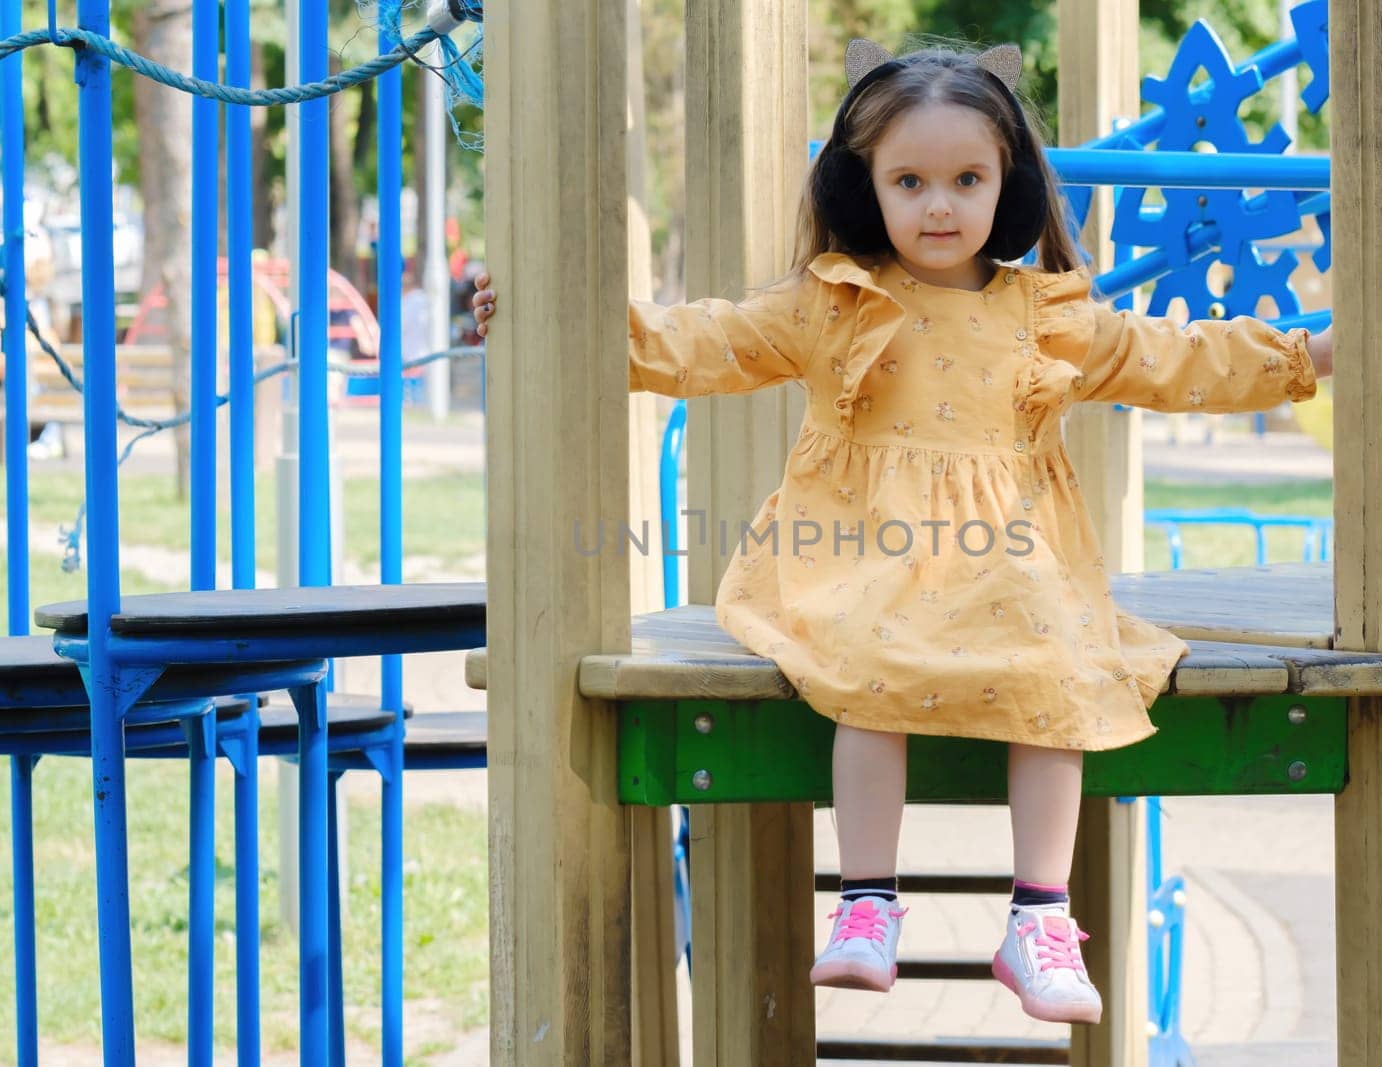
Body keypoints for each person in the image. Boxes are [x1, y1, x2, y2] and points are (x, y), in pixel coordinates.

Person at [470, 37, 1332, 1025]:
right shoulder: (837, 301)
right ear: (863, 184)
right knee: (868, 659)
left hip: (1005, 565)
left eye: (966, 178)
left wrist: (1305, 353)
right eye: (908, 179)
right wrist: (553, 314)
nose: (938, 205)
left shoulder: (1039, 311)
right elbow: (704, 340)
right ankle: (866, 902)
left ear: (1005, 182)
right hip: (857, 557)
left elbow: (1171, 356)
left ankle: (1038, 916)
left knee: (1062, 658)